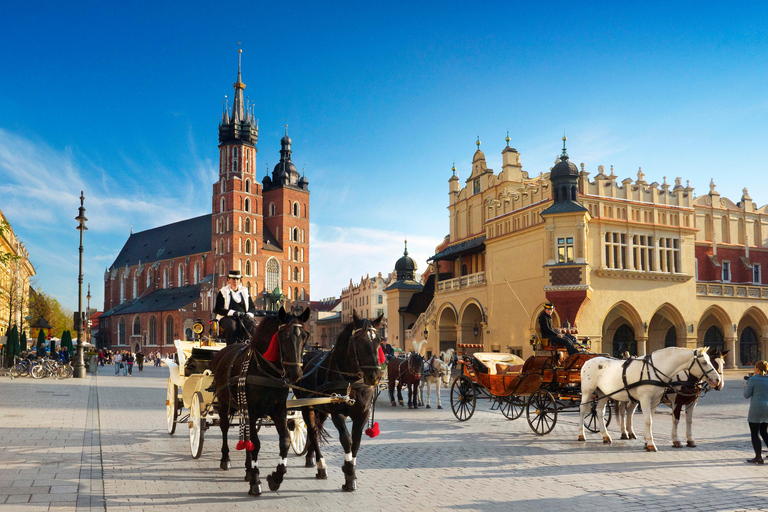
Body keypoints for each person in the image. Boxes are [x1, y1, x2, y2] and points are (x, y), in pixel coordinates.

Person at [214, 270, 257, 345]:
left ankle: (249, 346)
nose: (235, 282)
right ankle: (232, 348)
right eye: (233, 279)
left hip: (243, 316)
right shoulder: (223, 292)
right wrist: (233, 313)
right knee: (232, 326)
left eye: (237, 279)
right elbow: (218, 309)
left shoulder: (245, 291)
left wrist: (248, 314)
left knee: (252, 324)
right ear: (228, 280)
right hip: (227, 317)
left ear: (240, 280)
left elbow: (252, 307)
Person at [744, 360, 768, 464]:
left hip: (756, 408)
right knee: (764, 431)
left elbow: (746, 395)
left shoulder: (753, 380)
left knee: (755, 433)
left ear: (757, 369)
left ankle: (758, 457)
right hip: (767, 407)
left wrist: (745, 387)